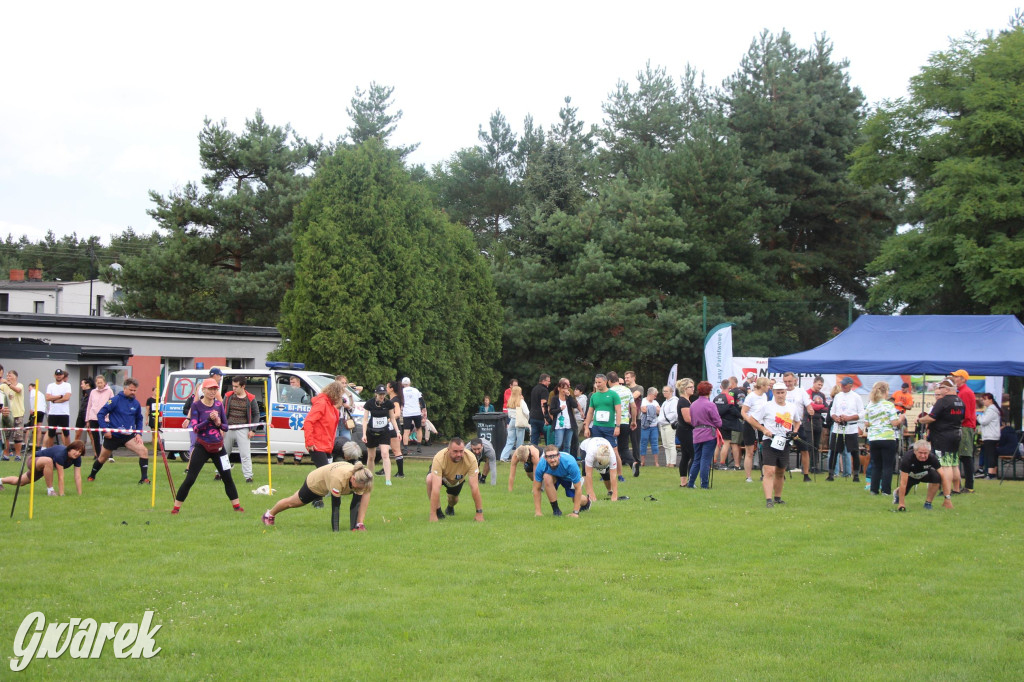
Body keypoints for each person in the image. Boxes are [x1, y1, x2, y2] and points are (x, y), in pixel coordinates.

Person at [171, 378, 243, 514]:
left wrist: (218, 423)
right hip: (202, 446)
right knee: (190, 478)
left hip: (218, 447)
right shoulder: (196, 406)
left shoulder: (219, 405)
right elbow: (195, 428)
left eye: (215, 389)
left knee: (227, 477)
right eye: (210, 389)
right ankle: (176, 508)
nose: (213, 392)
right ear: (203, 390)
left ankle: (237, 507)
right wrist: (208, 420)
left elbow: (226, 427)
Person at [262, 461, 374, 531]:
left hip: (330, 478)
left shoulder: (361, 476)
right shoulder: (338, 479)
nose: (362, 488)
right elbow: (336, 507)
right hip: (316, 483)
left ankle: (359, 524)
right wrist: (336, 532)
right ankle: (269, 514)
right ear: (353, 479)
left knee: (366, 492)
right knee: (293, 502)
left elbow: (355, 504)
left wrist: (354, 528)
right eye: (360, 486)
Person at [747, 381, 800, 508]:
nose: (780, 395)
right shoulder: (767, 406)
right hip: (770, 442)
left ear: (786, 393)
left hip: (785, 442)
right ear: (773, 393)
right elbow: (752, 419)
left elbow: (797, 421)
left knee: (781, 471)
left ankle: (777, 498)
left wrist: (795, 432)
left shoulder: (792, 407)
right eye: (778, 393)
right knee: (769, 471)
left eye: (782, 392)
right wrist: (763, 429)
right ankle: (768, 500)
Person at [87, 377, 149, 484]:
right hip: (113, 436)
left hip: (128, 436)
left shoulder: (136, 404)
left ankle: (144, 479)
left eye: (135, 390)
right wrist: (105, 430)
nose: (133, 392)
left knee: (144, 451)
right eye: (131, 390)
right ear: (124, 388)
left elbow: (139, 419)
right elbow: (101, 414)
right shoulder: (115, 400)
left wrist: (138, 433)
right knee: (102, 458)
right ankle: (92, 476)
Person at [916, 378, 962, 508]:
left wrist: (920, 420)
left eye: (941, 388)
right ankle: (956, 488)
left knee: (945, 466)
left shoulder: (943, 401)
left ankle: (947, 495)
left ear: (946, 389)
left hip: (943, 436)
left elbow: (931, 417)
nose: (939, 390)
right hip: (956, 434)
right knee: (954, 464)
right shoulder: (959, 401)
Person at [1, 440, 88, 496]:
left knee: (20, 482)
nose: (77, 453)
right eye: (76, 450)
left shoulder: (77, 458)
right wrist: (62, 494)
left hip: (45, 468)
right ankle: (50, 491)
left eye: (80, 452)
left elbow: (78, 476)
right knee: (48, 460)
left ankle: (1, 481)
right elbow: (60, 476)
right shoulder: (61, 455)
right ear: (70, 448)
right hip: (33, 460)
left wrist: (79, 495)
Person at [426, 438, 484, 522]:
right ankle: (438, 512)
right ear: (448, 449)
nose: (459, 454)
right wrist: (433, 515)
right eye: (455, 451)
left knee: (453, 500)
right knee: (429, 479)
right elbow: (436, 488)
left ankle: (450, 507)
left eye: (461, 451)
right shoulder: (439, 458)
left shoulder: (471, 459)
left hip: (457, 480)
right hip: (442, 476)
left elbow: (474, 487)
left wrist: (479, 513)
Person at [863, 381, 902, 496]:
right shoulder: (889, 405)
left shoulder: (870, 405)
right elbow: (894, 423)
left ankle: (874, 489)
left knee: (876, 465)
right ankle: (886, 490)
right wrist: (901, 419)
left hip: (874, 438)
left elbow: (866, 423)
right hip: (887, 437)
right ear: (886, 391)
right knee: (887, 466)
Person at [532, 445, 592, 517]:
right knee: (547, 477)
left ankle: (587, 502)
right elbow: (536, 488)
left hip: (568, 478)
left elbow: (578, 488)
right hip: (554, 476)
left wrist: (575, 513)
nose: (552, 459)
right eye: (549, 457)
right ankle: (556, 510)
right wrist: (538, 512)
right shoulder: (541, 464)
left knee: (575, 499)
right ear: (545, 458)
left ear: (559, 456)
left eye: (554, 456)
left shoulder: (570, 463)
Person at [582, 373, 622, 478]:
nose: (597, 384)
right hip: (597, 427)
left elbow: (618, 411)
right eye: (596, 382)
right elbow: (590, 412)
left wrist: (617, 426)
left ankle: (619, 474)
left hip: (610, 428)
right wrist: (586, 427)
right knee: (599, 452)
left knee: (614, 451)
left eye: (599, 382)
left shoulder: (613, 395)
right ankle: (604, 474)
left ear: (605, 381)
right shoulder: (594, 396)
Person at [684, 381, 722, 489]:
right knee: (705, 459)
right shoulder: (710, 405)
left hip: (696, 433)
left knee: (697, 459)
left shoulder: (693, 404)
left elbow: (692, 420)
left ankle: (691, 483)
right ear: (709, 391)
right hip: (709, 434)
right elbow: (718, 422)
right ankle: (704, 484)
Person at [222, 376, 260, 484]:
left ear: (243, 386)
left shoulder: (250, 398)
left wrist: (253, 430)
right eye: (233, 386)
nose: (234, 388)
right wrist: (221, 427)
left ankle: (248, 477)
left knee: (245, 454)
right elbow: (222, 412)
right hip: (228, 428)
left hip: (243, 429)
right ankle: (220, 473)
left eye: (236, 386)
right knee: (224, 453)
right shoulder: (228, 396)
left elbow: (256, 414)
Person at [827, 377, 864, 482]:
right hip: (838, 427)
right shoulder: (838, 396)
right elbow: (832, 411)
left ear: (851, 385)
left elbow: (862, 413)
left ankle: (855, 475)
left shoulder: (856, 397)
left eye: (845, 384)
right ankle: (831, 474)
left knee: (854, 451)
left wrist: (849, 418)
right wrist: (835, 418)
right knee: (834, 451)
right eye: (842, 384)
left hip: (851, 428)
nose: (843, 386)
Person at [361, 384, 398, 487]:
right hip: (371, 431)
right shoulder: (369, 403)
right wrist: (364, 434)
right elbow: (365, 419)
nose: (382, 396)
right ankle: (369, 478)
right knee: (371, 456)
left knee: (385, 454)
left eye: (383, 394)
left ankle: (388, 480)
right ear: (376, 394)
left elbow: (393, 418)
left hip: (384, 431)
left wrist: (398, 431)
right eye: (380, 394)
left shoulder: (389, 403)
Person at [895, 440, 945, 511]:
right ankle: (897, 495)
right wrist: (901, 504)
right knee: (904, 491)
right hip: (911, 475)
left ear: (929, 452)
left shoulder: (932, 457)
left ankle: (928, 503)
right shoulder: (907, 458)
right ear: (915, 451)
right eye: (920, 453)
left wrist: (947, 498)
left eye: (925, 453)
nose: (923, 456)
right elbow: (903, 483)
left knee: (937, 477)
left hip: (924, 474)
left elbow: (943, 476)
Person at [783, 372, 814, 482]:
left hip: (798, 424)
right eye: (785, 381)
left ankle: (806, 474)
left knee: (804, 449)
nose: (787, 384)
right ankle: (782, 473)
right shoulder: (782, 391)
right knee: (782, 449)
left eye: (789, 381)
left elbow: (808, 405)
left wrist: (810, 409)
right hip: (784, 424)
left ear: (795, 381)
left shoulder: (801, 391)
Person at [950, 369, 977, 494]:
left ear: (962, 379)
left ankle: (969, 486)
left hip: (965, 426)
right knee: (963, 456)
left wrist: (956, 420)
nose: (954, 379)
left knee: (966, 456)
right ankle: (963, 484)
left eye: (956, 377)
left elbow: (965, 413)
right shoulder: (962, 392)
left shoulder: (965, 392)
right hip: (965, 425)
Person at [740, 377, 771, 483]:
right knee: (749, 452)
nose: (769, 387)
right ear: (762, 386)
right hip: (750, 425)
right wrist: (750, 421)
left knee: (764, 450)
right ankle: (748, 477)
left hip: (761, 425)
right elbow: (743, 412)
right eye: (767, 385)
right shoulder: (751, 396)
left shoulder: (764, 396)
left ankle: (765, 474)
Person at [608, 371, 639, 477]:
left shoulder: (610, 391)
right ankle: (632, 462)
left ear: (609, 381)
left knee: (611, 448)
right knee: (624, 448)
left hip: (613, 423)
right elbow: (633, 407)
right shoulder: (627, 390)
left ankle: (609, 471)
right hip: (625, 422)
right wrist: (633, 421)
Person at [579, 436, 626, 501]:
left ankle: (610, 491)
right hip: (585, 447)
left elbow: (613, 475)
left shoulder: (612, 455)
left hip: (601, 447)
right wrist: (591, 493)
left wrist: (615, 494)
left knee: (605, 471)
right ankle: (589, 494)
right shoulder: (591, 453)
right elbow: (588, 474)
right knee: (585, 470)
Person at [84, 375, 114, 459]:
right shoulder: (93, 392)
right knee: (95, 437)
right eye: (98, 383)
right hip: (93, 417)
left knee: (106, 436)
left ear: (104, 383)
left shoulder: (109, 391)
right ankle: (98, 455)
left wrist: (110, 415)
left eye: (101, 382)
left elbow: (112, 403)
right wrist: (87, 419)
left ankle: (109, 455)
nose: (99, 384)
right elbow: (89, 405)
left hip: (105, 418)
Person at [712, 379, 740, 471]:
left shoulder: (716, 398)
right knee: (726, 442)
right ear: (729, 387)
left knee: (718, 443)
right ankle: (722, 463)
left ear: (721, 387)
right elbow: (732, 409)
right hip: (727, 423)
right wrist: (740, 415)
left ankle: (714, 463)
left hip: (717, 422)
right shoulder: (729, 397)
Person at [547, 378, 578, 454]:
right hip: (559, 424)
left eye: (567, 388)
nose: (565, 390)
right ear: (559, 389)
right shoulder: (555, 399)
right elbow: (551, 411)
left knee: (568, 445)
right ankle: (555, 456)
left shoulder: (568, 398)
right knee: (558, 444)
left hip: (569, 424)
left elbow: (575, 405)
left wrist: (569, 396)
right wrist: (560, 409)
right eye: (563, 388)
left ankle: (566, 458)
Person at [43, 369, 72, 448]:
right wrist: (59, 396)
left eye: (60, 375)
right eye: (57, 375)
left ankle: (68, 450)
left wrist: (55, 401)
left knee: (66, 433)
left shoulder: (67, 385)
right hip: (53, 413)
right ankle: (50, 451)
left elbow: (66, 397)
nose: (58, 376)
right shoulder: (50, 386)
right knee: (51, 434)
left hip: (64, 413)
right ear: (54, 375)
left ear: (63, 375)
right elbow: (47, 397)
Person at [500, 386, 529, 462]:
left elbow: (509, 414)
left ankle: (503, 457)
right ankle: (518, 457)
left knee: (510, 441)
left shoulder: (510, 401)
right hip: (519, 421)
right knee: (520, 441)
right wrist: (527, 419)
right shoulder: (521, 401)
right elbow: (527, 412)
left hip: (512, 421)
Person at [1, 370, 25, 461]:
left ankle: (18, 455)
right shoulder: (3, 386)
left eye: (10, 375)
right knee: (6, 435)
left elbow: (18, 390)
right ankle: (6, 455)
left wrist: (8, 383)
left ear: (15, 377)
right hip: (7, 414)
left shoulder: (20, 385)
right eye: (7, 376)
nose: (8, 377)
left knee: (17, 436)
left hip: (18, 414)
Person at [976, 393, 1001, 479]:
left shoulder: (991, 410)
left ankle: (990, 474)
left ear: (990, 400)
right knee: (992, 455)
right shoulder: (993, 409)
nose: (983, 401)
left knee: (990, 455)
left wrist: (978, 417)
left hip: (990, 436)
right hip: (993, 435)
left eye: (985, 399)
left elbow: (984, 421)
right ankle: (993, 473)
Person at [676, 378, 696, 486]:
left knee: (686, 456)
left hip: (685, 430)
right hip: (685, 431)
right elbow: (688, 419)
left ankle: (684, 482)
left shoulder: (686, 400)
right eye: (690, 387)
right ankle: (690, 481)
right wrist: (698, 425)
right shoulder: (683, 401)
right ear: (684, 389)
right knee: (694, 455)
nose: (693, 389)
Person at [401, 377, 427, 455]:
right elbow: (421, 400)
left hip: (407, 413)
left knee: (406, 431)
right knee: (419, 429)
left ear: (402, 384)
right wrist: (423, 409)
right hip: (416, 412)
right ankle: (419, 447)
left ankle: (405, 448)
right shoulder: (416, 390)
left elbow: (400, 401)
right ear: (410, 383)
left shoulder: (402, 391)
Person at [385, 381, 406, 478]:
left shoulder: (395, 400)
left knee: (396, 450)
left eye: (387, 387)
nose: (386, 389)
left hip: (393, 426)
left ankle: (400, 473)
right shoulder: (392, 399)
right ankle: (385, 469)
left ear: (391, 389)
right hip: (390, 426)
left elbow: (397, 413)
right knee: (385, 448)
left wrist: (388, 420)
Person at [638, 387, 661, 466]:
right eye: (655, 395)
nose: (655, 397)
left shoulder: (655, 402)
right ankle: (642, 461)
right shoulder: (643, 401)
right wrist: (654, 409)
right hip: (645, 426)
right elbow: (643, 410)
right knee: (643, 443)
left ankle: (656, 462)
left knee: (655, 443)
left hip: (654, 426)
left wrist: (649, 408)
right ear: (650, 394)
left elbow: (659, 411)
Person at [656, 385, 678, 468]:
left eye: (666, 391)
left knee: (670, 443)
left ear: (671, 392)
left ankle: (672, 462)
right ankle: (668, 462)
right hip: (662, 425)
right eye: (663, 391)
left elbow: (674, 414)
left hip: (669, 424)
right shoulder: (665, 402)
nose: (664, 393)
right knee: (665, 445)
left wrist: (665, 420)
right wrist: (660, 420)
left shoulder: (674, 401)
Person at [528, 374, 551, 448]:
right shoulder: (544, 390)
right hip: (541, 418)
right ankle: (548, 452)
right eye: (548, 381)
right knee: (547, 438)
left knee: (534, 439)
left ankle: (532, 452)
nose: (549, 383)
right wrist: (546, 417)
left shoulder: (534, 389)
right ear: (543, 381)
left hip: (533, 416)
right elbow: (543, 404)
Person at [74, 377, 94, 444]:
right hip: (81, 414)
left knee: (91, 434)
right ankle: (75, 448)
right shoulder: (84, 393)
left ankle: (96, 450)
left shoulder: (92, 393)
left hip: (88, 415)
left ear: (87, 384)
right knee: (77, 433)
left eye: (82, 384)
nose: (81, 385)